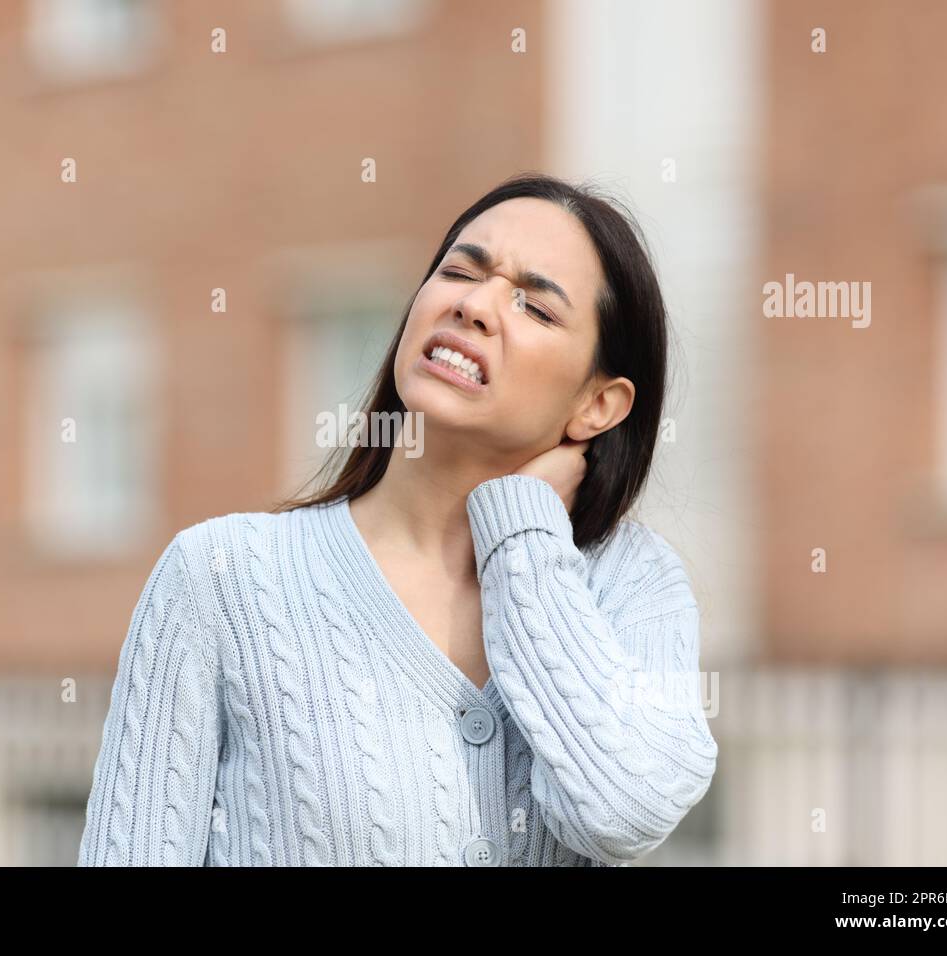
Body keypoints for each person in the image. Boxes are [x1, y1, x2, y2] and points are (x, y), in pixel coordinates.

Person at [77, 172, 717, 867]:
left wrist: (525, 534)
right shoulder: (222, 577)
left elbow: (624, 811)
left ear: (599, 404)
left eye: (534, 306)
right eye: (460, 272)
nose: (475, 305)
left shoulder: (632, 585)